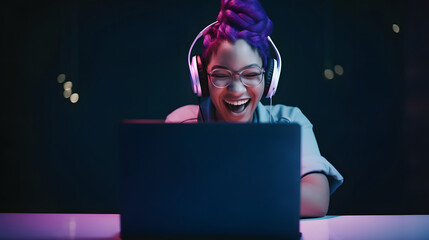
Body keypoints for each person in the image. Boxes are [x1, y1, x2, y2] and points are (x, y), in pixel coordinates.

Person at [166, 0, 343, 217]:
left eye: (250, 75)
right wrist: (267, 193)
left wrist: (217, 189)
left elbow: (316, 201)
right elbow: (168, 199)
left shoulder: (290, 121)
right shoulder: (181, 124)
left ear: (269, 79)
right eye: (221, 75)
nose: (236, 90)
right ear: (201, 78)